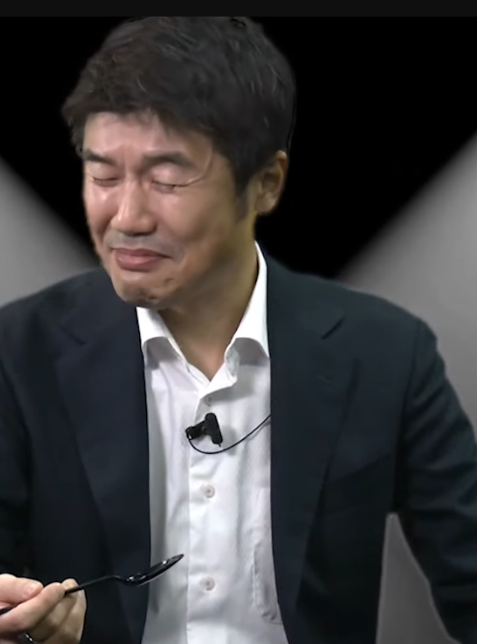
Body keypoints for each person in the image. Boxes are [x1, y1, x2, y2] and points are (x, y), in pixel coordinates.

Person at [1, 15, 477, 644]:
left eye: (167, 178)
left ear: (265, 184)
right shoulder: (18, 352)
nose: (127, 217)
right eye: (104, 175)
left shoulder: (387, 354)